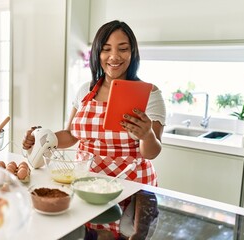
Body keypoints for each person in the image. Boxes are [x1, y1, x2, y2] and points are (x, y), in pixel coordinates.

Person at [23, 20, 166, 239]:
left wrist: (146, 135)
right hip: (90, 188)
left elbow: (151, 152)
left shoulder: (150, 94)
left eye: (123, 48)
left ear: (133, 52)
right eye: (106, 49)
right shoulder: (86, 90)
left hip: (132, 190)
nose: (114, 56)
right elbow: (71, 135)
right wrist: (44, 138)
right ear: (97, 53)